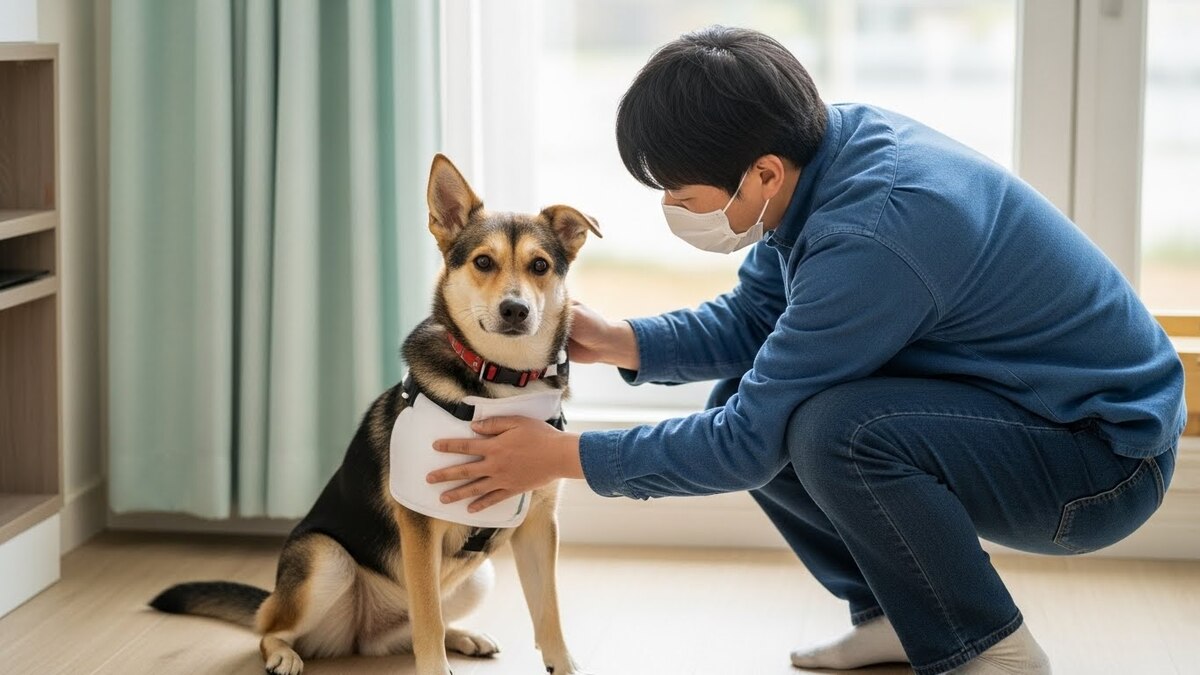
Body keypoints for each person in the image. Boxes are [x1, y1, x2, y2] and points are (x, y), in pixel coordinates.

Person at [426, 25, 1186, 675]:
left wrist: (560, 457)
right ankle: (895, 611)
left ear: (760, 174)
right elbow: (761, 315)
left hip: (1101, 463)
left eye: (681, 197)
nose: (672, 211)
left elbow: (743, 448)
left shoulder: (874, 235)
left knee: (833, 432)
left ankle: (993, 649)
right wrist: (621, 340)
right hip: (1030, 410)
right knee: (745, 396)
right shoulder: (820, 150)